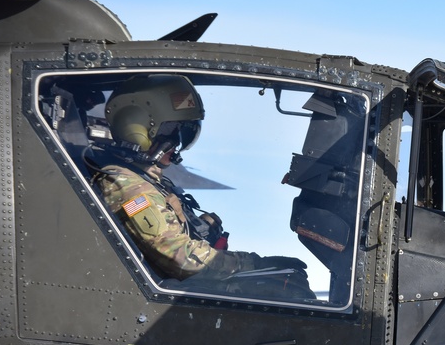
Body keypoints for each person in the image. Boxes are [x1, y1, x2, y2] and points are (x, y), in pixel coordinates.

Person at [88, 74, 312, 296]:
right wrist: (254, 264)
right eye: (171, 131)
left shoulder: (151, 181)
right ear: (136, 127)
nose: (177, 143)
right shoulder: (127, 185)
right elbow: (181, 258)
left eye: (181, 133)